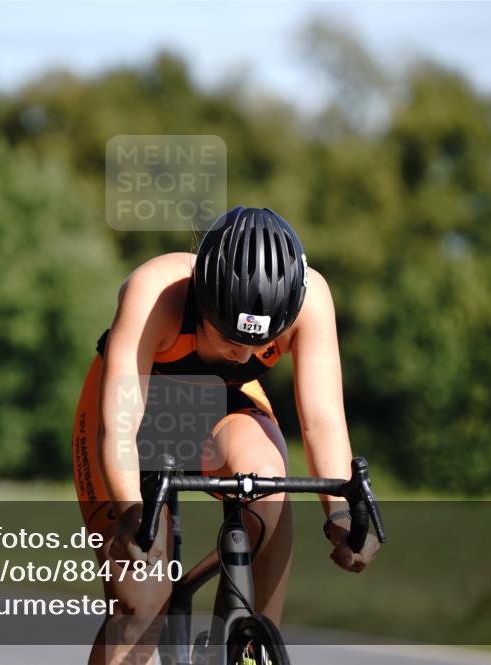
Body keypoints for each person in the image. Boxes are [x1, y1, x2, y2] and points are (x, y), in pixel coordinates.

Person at [71, 206, 381, 665]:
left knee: (269, 484)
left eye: (260, 344)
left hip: (221, 404)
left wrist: (340, 513)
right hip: (132, 411)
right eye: (231, 340)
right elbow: (120, 420)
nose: (245, 355)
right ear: (202, 300)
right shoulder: (156, 291)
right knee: (142, 600)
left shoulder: (311, 298)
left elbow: (323, 419)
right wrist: (132, 511)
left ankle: (243, 643)